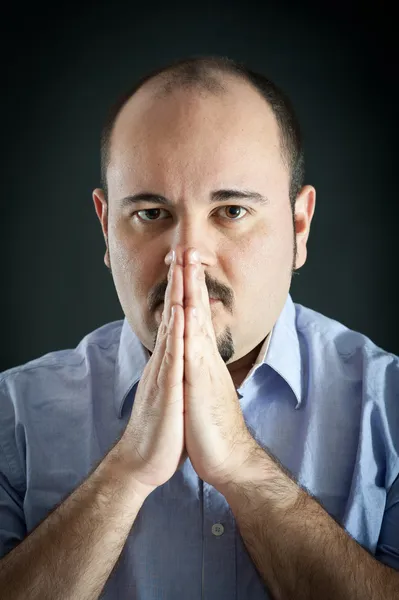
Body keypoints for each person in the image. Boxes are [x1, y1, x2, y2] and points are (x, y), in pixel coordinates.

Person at [0, 56, 398, 600]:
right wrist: (127, 473)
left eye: (231, 211)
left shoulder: (391, 407)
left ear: (299, 226)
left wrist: (243, 466)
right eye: (150, 213)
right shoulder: (13, 416)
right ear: (105, 226)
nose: (187, 256)